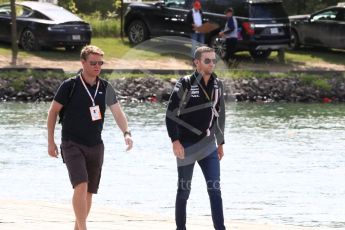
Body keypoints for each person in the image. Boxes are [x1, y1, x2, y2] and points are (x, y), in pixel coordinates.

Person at [47, 45, 133, 230]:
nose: (97, 66)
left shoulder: (105, 87)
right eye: (93, 63)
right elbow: (53, 112)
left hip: (95, 145)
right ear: (83, 62)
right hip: (71, 143)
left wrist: (126, 133)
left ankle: (78, 228)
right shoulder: (69, 86)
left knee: (89, 192)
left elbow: (118, 113)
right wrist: (50, 141)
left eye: (100, 63)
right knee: (81, 184)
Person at [165, 46, 226, 230]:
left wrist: (220, 142)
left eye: (214, 60)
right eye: (207, 60)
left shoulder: (218, 85)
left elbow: (219, 115)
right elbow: (170, 114)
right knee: (184, 190)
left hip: (209, 146)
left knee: (215, 190)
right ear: (197, 62)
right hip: (187, 145)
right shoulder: (184, 84)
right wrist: (175, 141)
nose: (212, 64)